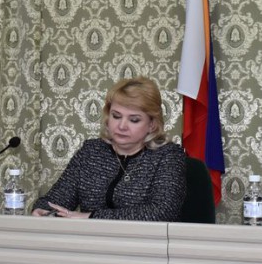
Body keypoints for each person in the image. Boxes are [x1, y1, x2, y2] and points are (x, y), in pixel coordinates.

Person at [32, 77, 185, 221]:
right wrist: (43, 210)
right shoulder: (91, 152)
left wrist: (91, 217)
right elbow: (55, 199)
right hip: (90, 239)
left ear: (152, 124)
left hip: (144, 240)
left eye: (134, 120)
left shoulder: (168, 156)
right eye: (116, 116)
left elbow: (162, 212)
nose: (122, 126)